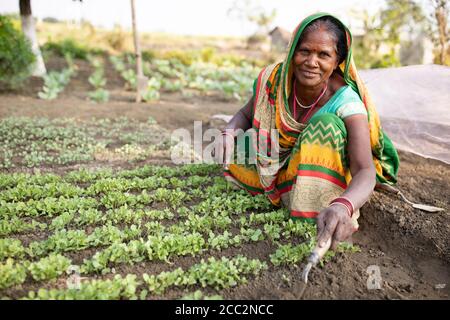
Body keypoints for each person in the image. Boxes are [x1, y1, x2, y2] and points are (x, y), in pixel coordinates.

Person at [220, 13, 399, 251]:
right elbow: (245, 113)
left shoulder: (346, 102)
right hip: (280, 165)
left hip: (322, 170)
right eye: (304, 51)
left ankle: (316, 208)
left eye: (324, 55)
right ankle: (285, 191)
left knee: (325, 125)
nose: (311, 62)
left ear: (337, 61)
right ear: (293, 51)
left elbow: (365, 170)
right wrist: (229, 132)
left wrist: (343, 205)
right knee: (240, 151)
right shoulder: (275, 80)